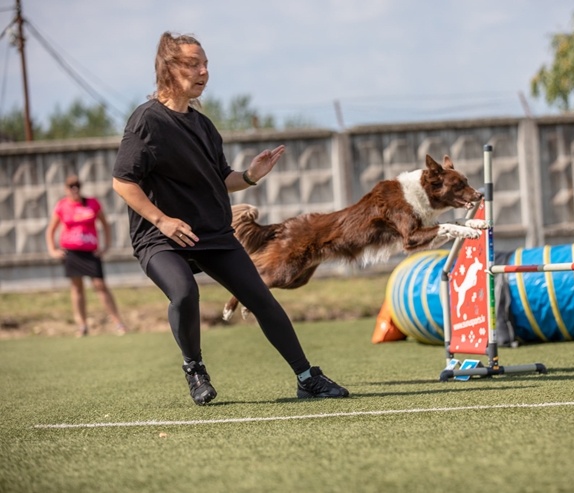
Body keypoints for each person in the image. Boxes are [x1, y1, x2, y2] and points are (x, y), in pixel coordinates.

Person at [111, 31, 349, 405]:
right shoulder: (147, 122)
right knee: (184, 293)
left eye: (205, 64)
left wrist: (251, 175)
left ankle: (307, 378)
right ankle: (195, 369)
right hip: (160, 237)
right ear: (168, 68)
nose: (204, 71)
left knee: (261, 298)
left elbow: (223, 179)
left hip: (212, 233)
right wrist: (162, 220)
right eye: (193, 64)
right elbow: (123, 182)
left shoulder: (204, 126)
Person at [46, 174, 128, 337]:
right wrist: (53, 250)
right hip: (72, 253)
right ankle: (82, 326)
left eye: (76, 185)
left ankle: (118, 323)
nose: (74, 188)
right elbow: (51, 230)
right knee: (77, 288)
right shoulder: (62, 206)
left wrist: (106, 246)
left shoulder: (92, 203)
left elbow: (105, 225)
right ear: (65, 189)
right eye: (70, 186)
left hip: (90, 252)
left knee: (100, 285)